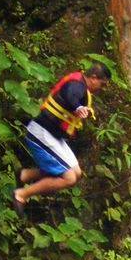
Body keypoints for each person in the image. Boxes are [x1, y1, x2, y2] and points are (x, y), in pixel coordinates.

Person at [13, 63, 111, 216]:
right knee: (69, 178)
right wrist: (78, 108)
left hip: (52, 135)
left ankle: (25, 175)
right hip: (41, 133)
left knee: (77, 173)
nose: (102, 88)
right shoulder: (77, 85)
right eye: (102, 84)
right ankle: (21, 195)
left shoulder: (80, 85)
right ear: (93, 78)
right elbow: (69, 94)